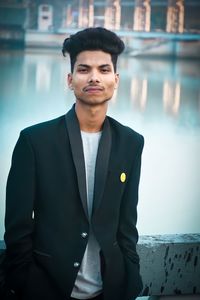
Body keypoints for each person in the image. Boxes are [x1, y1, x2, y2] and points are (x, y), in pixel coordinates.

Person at [4, 27, 144, 300]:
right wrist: (25, 282)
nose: (94, 77)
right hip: (46, 289)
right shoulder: (34, 141)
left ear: (116, 80)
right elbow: (17, 227)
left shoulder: (131, 142)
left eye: (104, 70)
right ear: (70, 79)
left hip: (111, 290)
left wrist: (131, 275)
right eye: (84, 69)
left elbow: (127, 225)